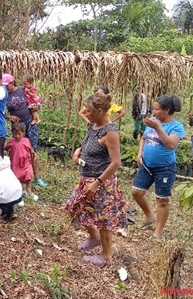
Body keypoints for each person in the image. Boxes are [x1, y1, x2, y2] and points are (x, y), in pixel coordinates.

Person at [65, 93, 127, 266]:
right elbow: (88, 144)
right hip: (86, 178)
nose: (86, 113)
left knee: (103, 219)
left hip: (102, 183)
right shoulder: (93, 125)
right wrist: (79, 150)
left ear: (100, 111)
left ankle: (107, 256)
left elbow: (116, 163)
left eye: (89, 111)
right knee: (75, 206)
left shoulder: (111, 132)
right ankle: (94, 237)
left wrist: (97, 183)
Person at [131, 95, 184, 238]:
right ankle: (149, 215)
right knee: (136, 191)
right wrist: (139, 153)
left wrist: (158, 127)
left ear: (166, 110)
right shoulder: (153, 122)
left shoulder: (176, 127)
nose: (154, 112)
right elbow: (143, 137)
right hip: (147, 165)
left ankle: (158, 231)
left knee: (162, 199)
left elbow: (170, 144)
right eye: (154, 109)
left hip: (165, 168)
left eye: (157, 109)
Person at [5, 73, 48, 188]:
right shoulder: (5, 95)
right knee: (18, 152)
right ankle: (19, 176)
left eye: (7, 84)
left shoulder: (23, 89)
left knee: (32, 151)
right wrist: (10, 117)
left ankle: (37, 177)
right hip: (17, 128)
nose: (5, 87)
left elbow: (35, 99)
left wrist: (37, 107)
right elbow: (1, 112)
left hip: (30, 123)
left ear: (12, 82)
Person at [5, 122, 35, 196]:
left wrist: (32, 152)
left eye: (19, 134)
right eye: (15, 134)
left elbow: (30, 148)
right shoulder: (12, 141)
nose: (17, 136)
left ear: (23, 133)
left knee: (28, 173)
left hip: (25, 162)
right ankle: (18, 189)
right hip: (15, 163)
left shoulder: (26, 140)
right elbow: (6, 148)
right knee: (16, 176)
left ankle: (28, 188)